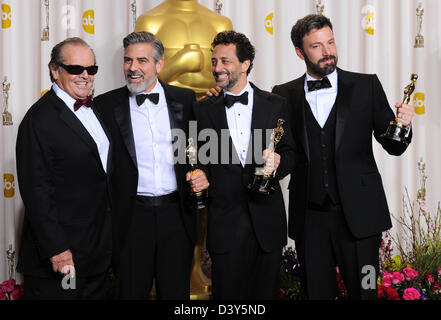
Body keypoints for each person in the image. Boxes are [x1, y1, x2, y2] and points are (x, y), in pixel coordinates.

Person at [272, 14, 415, 300]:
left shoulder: (366, 86)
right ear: (300, 52)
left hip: (361, 219)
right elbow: (282, 151)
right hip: (310, 219)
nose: (328, 51)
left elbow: (393, 146)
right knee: (316, 294)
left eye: (331, 42)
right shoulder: (282, 95)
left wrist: (404, 126)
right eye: (316, 46)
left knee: (365, 292)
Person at [94, 31, 207, 299]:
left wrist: (202, 172)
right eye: (128, 60)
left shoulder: (185, 99)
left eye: (142, 60)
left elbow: (200, 148)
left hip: (176, 216)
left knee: (175, 295)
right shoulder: (105, 105)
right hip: (131, 217)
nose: (133, 68)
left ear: (159, 64)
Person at [193, 30, 295, 299]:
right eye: (214, 61)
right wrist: (199, 174)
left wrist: (279, 162)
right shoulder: (203, 109)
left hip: (268, 226)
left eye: (225, 61)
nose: (217, 68)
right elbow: (196, 159)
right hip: (225, 227)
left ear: (245, 64)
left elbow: (291, 152)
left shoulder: (276, 104)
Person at [16, 37, 112, 299]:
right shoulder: (39, 119)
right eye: (75, 69)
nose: (85, 76)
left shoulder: (97, 110)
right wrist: (57, 249)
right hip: (61, 257)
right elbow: (36, 191)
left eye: (91, 70)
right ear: (54, 70)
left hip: (97, 252)